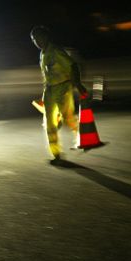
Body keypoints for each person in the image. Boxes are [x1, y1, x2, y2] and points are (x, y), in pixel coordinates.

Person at [30, 25, 87, 163]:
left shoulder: (55, 51)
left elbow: (72, 66)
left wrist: (78, 85)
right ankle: (56, 154)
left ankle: (83, 137)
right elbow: (47, 75)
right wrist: (45, 94)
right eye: (34, 39)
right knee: (49, 123)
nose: (37, 42)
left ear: (46, 37)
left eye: (39, 38)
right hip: (49, 90)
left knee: (68, 118)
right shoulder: (42, 53)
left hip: (63, 89)